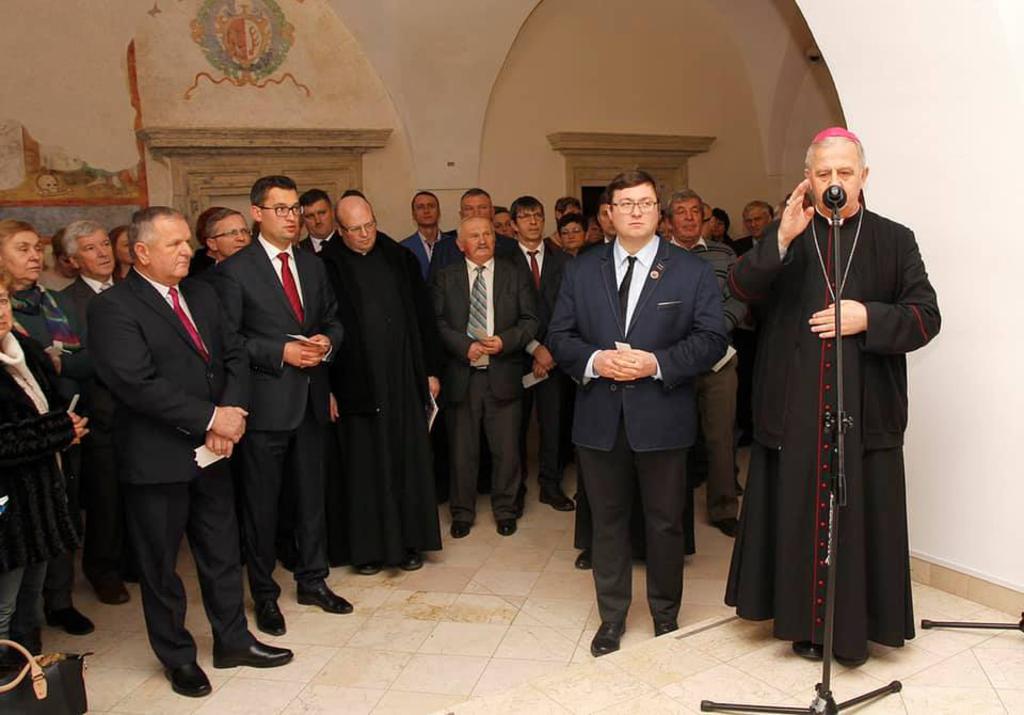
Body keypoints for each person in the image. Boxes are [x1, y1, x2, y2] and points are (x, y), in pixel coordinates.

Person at [725, 127, 941, 667]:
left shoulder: (895, 239)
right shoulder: (788, 232)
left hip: (865, 410)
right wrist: (779, 240)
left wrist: (869, 317)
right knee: (798, 517)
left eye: (845, 172)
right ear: (808, 179)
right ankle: (801, 624)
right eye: (824, 173)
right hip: (794, 409)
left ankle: (858, 628)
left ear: (863, 177)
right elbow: (740, 288)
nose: (834, 182)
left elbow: (926, 316)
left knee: (859, 518)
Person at [89, 207, 292, 697]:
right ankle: (177, 656)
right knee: (160, 566)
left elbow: (234, 355)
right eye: (174, 244)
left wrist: (231, 413)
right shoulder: (114, 307)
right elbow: (136, 383)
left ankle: (233, 641)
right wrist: (209, 418)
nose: (187, 251)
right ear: (141, 252)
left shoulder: (202, 292)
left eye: (187, 242)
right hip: (156, 458)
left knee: (222, 551)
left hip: (215, 450)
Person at [547, 170, 726, 657]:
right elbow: (559, 336)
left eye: (644, 203)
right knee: (607, 522)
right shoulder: (582, 269)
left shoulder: (689, 270)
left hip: (663, 417)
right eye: (625, 204)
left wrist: (656, 363)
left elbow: (712, 338)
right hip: (599, 418)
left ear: (657, 211)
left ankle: (666, 616)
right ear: (609, 213)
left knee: (665, 522)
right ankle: (612, 618)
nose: (635, 212)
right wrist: (594, 361)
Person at [215, 176, 350, 637]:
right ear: (257, 213)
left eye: (295, 209)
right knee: (262, 506)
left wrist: (327, 341)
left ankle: (313, 580)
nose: (292, 217)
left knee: (312, 499)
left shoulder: (312, 264)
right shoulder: (235, 271)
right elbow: (229, 341)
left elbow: (333, 319)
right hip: (265, 405)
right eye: (281, 209)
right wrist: (280, 352)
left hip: (311, 399)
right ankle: (265, 595)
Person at [321, 194, 443, 574]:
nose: (364, 234)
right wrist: (327, 388)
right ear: (340, 230)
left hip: (403, 379)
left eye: (369, 225)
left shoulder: (399, 257)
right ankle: (368, 550)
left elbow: (424, 318)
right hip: (355, 384)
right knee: (364, 468)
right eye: (355, 229)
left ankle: (410, 543)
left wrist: (431, 371)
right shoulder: (325, 266)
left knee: (407, 461)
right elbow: (318, 329)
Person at [0, 219, 94, 637]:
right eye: (22, 248)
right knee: (9, 591)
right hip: (13, 481)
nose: (34, 256)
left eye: (37, 248)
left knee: (56, 527)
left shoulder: (45, 317)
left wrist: (62, 422)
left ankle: (52, 612)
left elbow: (88, 360)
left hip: (51, 456)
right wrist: (56, 429)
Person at [433, 216, 538, 538]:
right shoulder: (445, 277)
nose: (482, 240)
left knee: (507, 451)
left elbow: (530, 320)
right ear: (459, 243)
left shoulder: (514, 274)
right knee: (462, 452)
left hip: (503, 372)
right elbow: (436, 322)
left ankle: (506, 510)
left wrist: (506, 341)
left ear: (495, 238)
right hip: (462, 376)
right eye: (474, 235)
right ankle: (462, 513)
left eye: (487, 234)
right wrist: (464, 346)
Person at [667, 190, 746, 537]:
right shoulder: (657, 255)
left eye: (694, 211)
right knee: (673, 439)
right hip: (674, 363)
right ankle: (673, 509)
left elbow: (740, 299)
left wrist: (714, 329)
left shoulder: (724, 254)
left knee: (721, 437)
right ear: (668, 221)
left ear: (705, 217)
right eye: (680, 212)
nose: (688, 217)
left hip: (718, 362)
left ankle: (724, 508)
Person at [59, 221, 130, 605]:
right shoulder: (65, 303)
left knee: (139, 495)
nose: (103, 253)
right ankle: (103, 571)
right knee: (105, 500)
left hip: (142, 411)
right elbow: (68, 362)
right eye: (90, 248)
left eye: (105, 244)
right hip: (99, 413)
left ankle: (134, 562)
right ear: (73, 260)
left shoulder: (133, 289)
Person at [507, 196, 574, 514]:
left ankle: (550, 484)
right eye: (525, 216)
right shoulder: (503, 261)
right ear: (513, 224)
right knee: (515, 427)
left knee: (553, 424)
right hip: (516, 356)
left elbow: (571, 311)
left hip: (555, 358)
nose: (533, 221)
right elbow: (504, 313)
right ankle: (516, 487)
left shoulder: (565, 261)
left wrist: (551, 351)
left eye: (538, 215)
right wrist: (535, 348)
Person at [428, 188, 519, 277]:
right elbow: (434, 284)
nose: (476, 213)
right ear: (461, 214)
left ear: (492, 212)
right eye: (469, 209)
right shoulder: (443, 249)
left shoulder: (511, 247)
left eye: (482, 207)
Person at [401, 190, 455, 280]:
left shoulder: (455, 245)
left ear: (439, 212)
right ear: (413, 214)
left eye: (431, 206)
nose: (426, 211)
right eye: (420, 207)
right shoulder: (403, 249)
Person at [191, 208, 252, 273]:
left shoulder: (257, 263)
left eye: (244, 231)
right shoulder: (199, 275)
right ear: (212, 244)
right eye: (232, 233)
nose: (241, 238)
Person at [299, 188, 338, 255]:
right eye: (310, 216)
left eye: (322, 213)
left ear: (332, 212)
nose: (318, 221)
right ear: (302, 219)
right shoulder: (297, 252)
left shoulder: (348, 244)